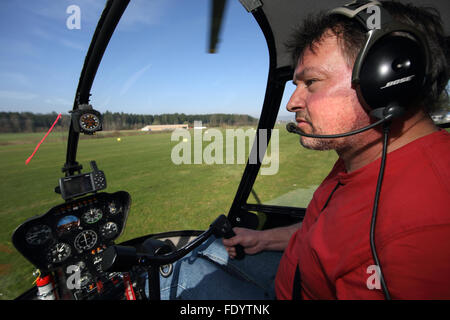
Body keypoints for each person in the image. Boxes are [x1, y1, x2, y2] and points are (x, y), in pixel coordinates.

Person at [156, 0, 450, 300]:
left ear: (387, 80)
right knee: (189, 256)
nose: (291, 103)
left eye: (311, 82)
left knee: (172, 282)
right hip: (294, 273)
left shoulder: (425, 227)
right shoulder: (364, 152)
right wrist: (265, 239)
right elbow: (328, 232)